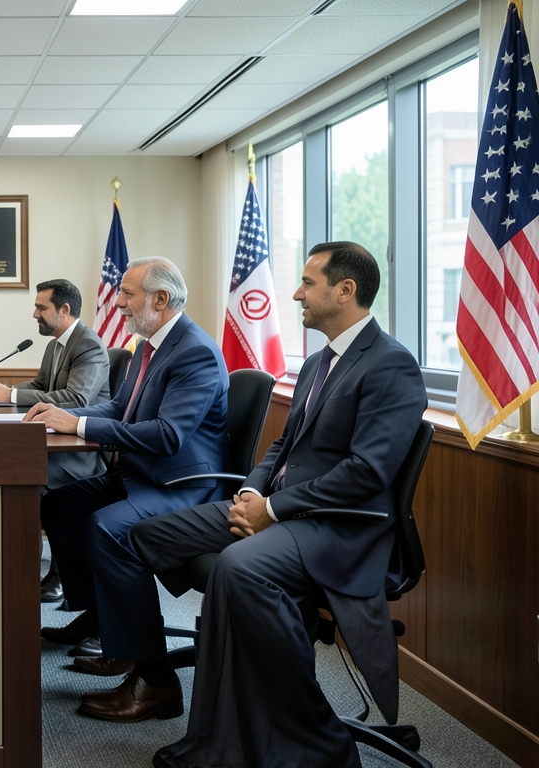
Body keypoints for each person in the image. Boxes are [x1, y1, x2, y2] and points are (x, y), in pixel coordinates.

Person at [121, 243, 426, 767]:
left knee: (236, 570)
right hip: (281, 508)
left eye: (308, 283)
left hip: (338, 527)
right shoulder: (317, 362)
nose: (297, 293)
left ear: (345, 290)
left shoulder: (391, 365)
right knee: (148, 534)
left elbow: (366, 473)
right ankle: (229, 693)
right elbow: (283, 447)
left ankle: (314, 739)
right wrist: (250, 494)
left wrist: (275, 510)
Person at [25, 257, 228, 659]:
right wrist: (61, 416)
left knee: (105, 528)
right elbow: (120, 408)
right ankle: (100, 618)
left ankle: (143, 663)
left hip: (179, 485)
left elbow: (167, 435)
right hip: (140, 475)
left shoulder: (195, 352)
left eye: (127, 294)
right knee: (60, 507)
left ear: (161, 299)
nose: (117, 302)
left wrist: (78, 425)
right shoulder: (147, 346)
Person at [0, 278, 111, 490]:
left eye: (41, 308)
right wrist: (6, 390)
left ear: (64, 310)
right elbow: (40, 385)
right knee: (0, 455)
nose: (35, 314)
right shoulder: (54, 345)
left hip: (79, 453)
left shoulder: (88, 344)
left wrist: (10, 396)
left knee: (13, 468)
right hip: (54, 439)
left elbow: (76, 399)